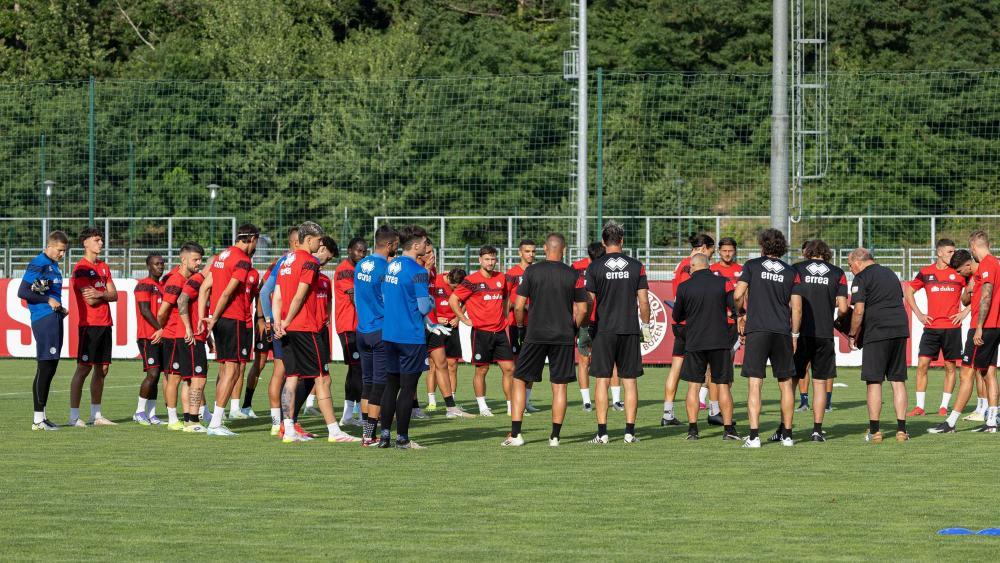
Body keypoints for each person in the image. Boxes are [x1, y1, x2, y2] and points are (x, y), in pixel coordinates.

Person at [502, 233, 588, 447]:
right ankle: (555, 437)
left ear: (544, 248)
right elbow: (584, 308)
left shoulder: (531, 271)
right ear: (564, 249)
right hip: (563, 335)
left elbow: (519, 306)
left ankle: (516, 434)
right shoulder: (573, 274)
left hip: (536, 334)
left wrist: (521, 327)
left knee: (520, 380)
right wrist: (574, 328)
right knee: (559, 386)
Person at [378, 226, 446, 449]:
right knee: (407, 389)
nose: (428, 248)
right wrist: (433, 302)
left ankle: (384, 436)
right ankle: (403, 438)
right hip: (410, 337)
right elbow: (424, 306)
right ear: (416, 245)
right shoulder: (418, 271)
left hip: (389, 334)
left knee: (391, 386)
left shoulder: (392, 266)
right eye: (426, 244)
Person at [733, 228, 801, 448]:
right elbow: (797, 308)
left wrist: (740, 314)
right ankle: (788, 435)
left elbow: (737, 294)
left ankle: (754, 437)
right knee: (786, 385)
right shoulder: (791, 272)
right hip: (781, 331)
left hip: (758, 330)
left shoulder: (752, 266)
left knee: (755, 384)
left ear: (762, 245)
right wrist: (795, 334)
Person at [585, 221, 650, 444]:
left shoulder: (594, 267)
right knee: (629, 381)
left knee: (602, 380)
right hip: (629, 329)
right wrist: (647, 326)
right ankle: (629, 433)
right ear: (622, 241)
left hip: (603, 330)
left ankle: (602, 433)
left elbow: (589, 302)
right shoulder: (636, 265)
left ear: (604, 242)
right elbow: (643, 301)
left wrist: (585, 327)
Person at [930, 234, 1000, 434]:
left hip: (983, 327)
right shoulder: (993, 265)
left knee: (966, 373)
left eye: (960, 271)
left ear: (973, 248)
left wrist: (979, 326)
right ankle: (992, 421)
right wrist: (971, 287)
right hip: (994, 326)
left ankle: (951, 422)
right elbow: (969, 299)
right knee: (989, 373)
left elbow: (986, 296)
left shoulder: (987, 265)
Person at [846, 248, 911, 442]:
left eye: (850, 265)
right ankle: (901, 430)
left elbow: (858, 310)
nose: (850, 270)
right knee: (898, 380)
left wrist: (852, 334)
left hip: (877, 331)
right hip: (899, 328)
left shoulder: (861, 278)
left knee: (874, 381)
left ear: (858, 261)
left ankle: (874, 431)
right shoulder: (890, 273)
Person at [672, 253, 739, 441]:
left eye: (690, 267)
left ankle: (693, 430)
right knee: (723, 386)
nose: (689, 270)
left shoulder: (684, 287)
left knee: (693, 386)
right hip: (719, 341)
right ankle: (728, 430)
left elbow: (677, 316)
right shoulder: (724, 283)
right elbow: (733, 308)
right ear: (708, 266)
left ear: (694, 266)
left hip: (694, 342)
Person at [202, 223, 260, 436]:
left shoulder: (222, 256)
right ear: (252, 238)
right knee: (233, 370)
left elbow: (206, 287)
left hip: (221, 320)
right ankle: (216, 423)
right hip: (232, 318)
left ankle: (217, 420)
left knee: (226, 369)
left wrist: (209, 318)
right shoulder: (242, 260)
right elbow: (227, 293)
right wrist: (214, 317)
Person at [792, 239, 849, 441]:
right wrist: (838, 319)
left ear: (807, 252)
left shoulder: (796, 269)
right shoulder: (838, 273)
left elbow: (790, 302)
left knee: (791, 381)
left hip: (800, 334)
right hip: (824, 334)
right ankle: (817, 430)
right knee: (819, 383)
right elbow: (843, 308)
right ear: (826, 253)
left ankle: (786, 430)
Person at [449, 245, 515, 417]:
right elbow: (454, 299)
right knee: (482, 369)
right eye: (487, 259)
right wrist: (463, 319)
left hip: (500, 331)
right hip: (481, 333)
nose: (490, 262)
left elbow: (506, 297)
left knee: (509, 368)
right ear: (480, 260)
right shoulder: (471, 280)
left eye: (493, 259)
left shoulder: (501, 277)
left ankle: (510, 406)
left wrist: (506, 316)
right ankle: (482, 406)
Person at [903, 239, 967, 416]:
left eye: (954, 252)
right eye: (949, 252)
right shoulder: (926, 272)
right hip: (931, 328)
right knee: (922, 365)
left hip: (952, 328)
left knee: (950, 367)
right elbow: (908, 290)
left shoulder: (960, 272)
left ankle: (943, 406)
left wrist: (965, 312)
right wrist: (919, 314)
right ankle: (920, 407)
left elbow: (977, 291)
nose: (953, 255)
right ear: (939, 252)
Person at [662, 233, 715, 426]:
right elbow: (689, 293)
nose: (712, 256)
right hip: (693, 324)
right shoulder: (691, 266)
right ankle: (713, 410)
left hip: (681, 324)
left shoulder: (681, 264)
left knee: (676, 366)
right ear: (704, 249)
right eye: (712, 251)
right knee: (709, 364)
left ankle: (668, 413)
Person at [68, 226, 119, 427]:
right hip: (89, 325)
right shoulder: (81, 268)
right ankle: (73, 416)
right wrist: (103, 294)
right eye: (97, 240)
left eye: (101, 240)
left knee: (103, 369)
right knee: (83, 368)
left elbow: (114, 295)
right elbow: (90, 300)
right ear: (85, 242)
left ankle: (96, 415)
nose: (101, 243)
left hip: (106, 324)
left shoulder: (104, 267)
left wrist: (101, 294)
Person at [20, 230, 68, 431]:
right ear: (49, 246)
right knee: (45, 366)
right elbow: (22, 292)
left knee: (51, 366)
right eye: (59, 250)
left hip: (54, 316)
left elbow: (45, 290)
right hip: (43, 318)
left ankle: (42, 416)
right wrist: (47, 300)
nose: (62, 254)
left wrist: (59, 307)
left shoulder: (54, 266)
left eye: (64, 251)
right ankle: (37, 420)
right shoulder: (38, 262)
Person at [356, 225, 399, 445]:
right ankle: (369, 436)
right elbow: (391, 300)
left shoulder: (361, 264)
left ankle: (366, 432)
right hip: (380, 330)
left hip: (362, 329)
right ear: (390, 244)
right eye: (397, 244)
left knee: (367, 382)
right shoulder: (387, 269)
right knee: (379, 385)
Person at [157, 242, 205, 431]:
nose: (198, 263)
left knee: (185, 377)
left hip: (184, 334)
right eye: (195, 259)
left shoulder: (192, 278)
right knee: (173, 377)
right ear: (183, 259)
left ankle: (187, 417)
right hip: (172, 335)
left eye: (200, 259)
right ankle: (171, 418)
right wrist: (160, 329)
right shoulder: (175, 281)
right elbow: (162, 311)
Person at [258, 227, 298, 434]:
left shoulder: (282, 262)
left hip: (281, 323)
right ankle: (285, 422)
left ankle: (277, 423)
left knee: (281, 372)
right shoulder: (295, 261)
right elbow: (265, 292)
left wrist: (270, 319)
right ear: (297, 242)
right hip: (291, 325)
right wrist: (271, 319)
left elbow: (265, 292)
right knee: (290, 373)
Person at [573, 242, 622, 411]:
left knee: (585, 361)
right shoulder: (606, 268)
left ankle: (589, 401)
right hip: (601, 321)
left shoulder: (578, 267)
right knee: (610, 360)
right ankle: (613, 400)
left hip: (589, 321)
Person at [428, 267, 475, 418]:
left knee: (452, 365)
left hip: (452, 327)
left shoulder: (463, 285)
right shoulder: (434, 281)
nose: (455, 290)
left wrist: (458, 317)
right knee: (434, 365)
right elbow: (426, 301)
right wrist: (436, 317)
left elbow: (466, 299)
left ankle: (452, 403)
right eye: (454, 287)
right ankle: (432, 401)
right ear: (448, 277)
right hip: (436, 326)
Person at [706, 236, 742, 425]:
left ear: (735, 251)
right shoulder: (711, 271)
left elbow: (746, 298)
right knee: (715, 368)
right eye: (724, 250)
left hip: (733, 326)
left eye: (731, 250)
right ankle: (714, 408)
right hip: (715, 324)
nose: (728, 254)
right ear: (719, 251)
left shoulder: (741, 271)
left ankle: (718, 408)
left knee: (727, 368)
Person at [334, 237, 367, 426]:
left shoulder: (357, 269)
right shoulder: (345, 270)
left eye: (364, 251)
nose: (361, 254)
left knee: (355, 369)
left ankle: (348, 416)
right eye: (358, 250)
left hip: (357, 326)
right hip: (348, 326)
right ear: (349, 250)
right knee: (358, 369)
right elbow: (355, 298)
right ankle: (362, 415)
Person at [505, 239, 540, 414]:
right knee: (518, 365)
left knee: (532, 364)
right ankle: (513, 404)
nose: (531, 254)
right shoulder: (512, 273)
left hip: (535, 325)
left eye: (533, 251)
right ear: (520, 253)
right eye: (527, 251)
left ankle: (526, 402)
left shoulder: (537, 272)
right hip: (516, 325)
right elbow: (507, 299)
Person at [133, 253, 166, 425]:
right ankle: (139, 411)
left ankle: (152, 414)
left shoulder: (161, 286)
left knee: (157, 375)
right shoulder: (143, 285)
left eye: (162, 263)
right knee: (152, 374)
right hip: (147, 336)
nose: (160, 266)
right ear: (148, 266)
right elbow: (145, 310)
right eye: (156, 264)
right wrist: (160, 329)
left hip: (159, 336)